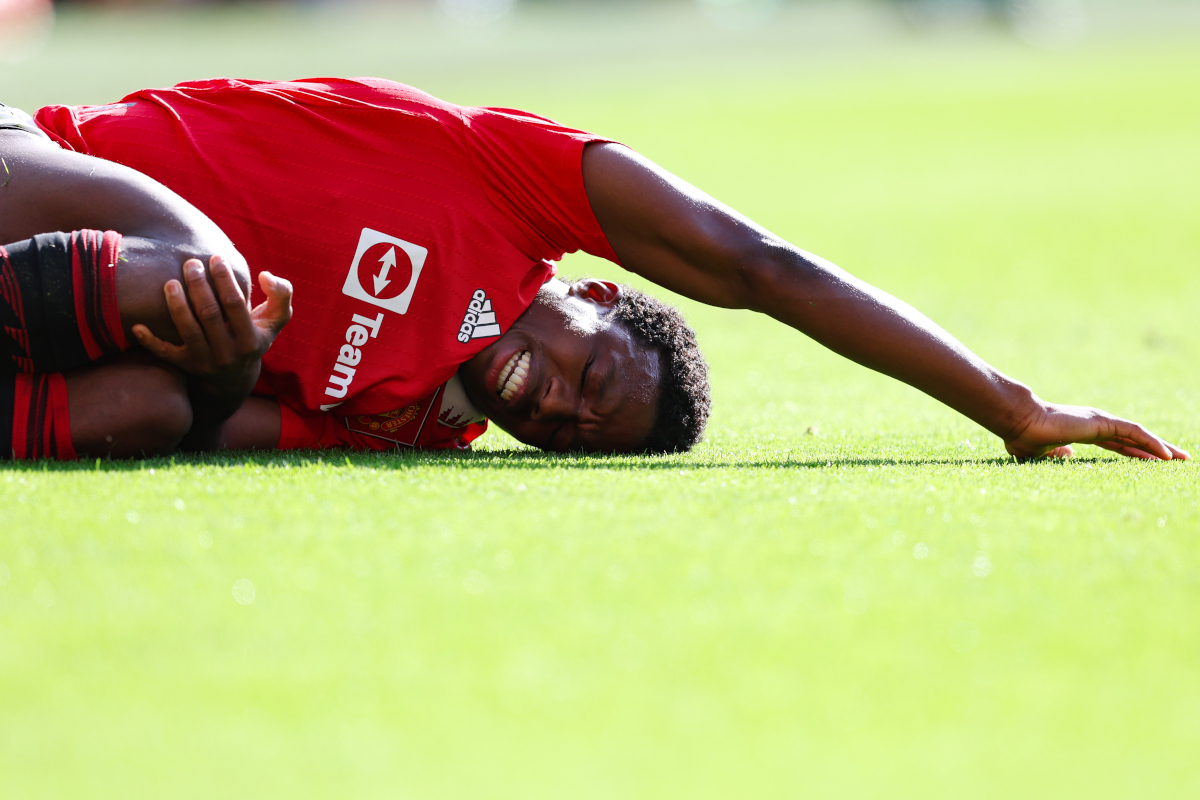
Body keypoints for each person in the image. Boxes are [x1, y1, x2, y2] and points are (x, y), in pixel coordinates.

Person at [0, 80, 1188, 462]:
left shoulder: (410, 428)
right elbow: (758, 262)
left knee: (156, 398)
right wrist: (1011, 408)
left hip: (73, 316)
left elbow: (214, 428)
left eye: (571, 431)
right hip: (32, 169)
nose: (555, 402)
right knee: (202, 268)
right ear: (601, 294)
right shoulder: (510, 186)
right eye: (593, 377)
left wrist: (224, 375)